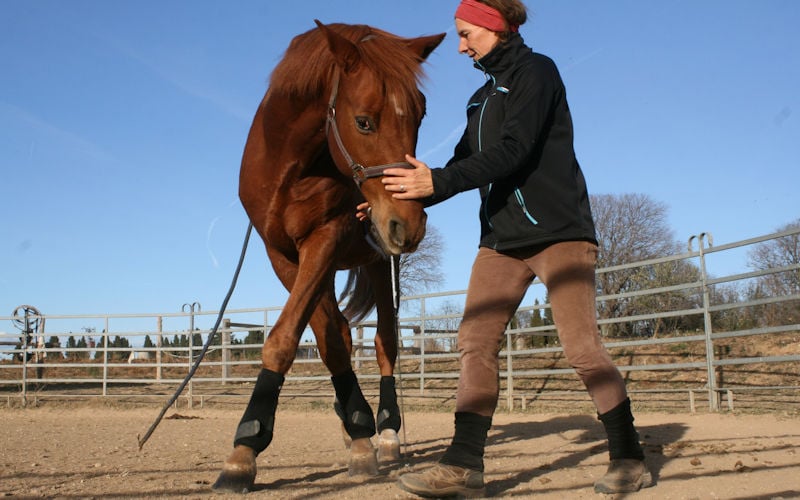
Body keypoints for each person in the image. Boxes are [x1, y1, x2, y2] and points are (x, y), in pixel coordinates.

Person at [357, 0, 653, 496]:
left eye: (467, 33)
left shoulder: (537, 72)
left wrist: (440, 179)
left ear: (496, 29)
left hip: (559, 233)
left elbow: (514, 150)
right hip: (501, 242)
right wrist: (399, 196)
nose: (460, 45)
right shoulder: (479, 99)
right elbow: (455, 170)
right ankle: (463, 466)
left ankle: (628, 457)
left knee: (581, 349)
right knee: (474, 342)